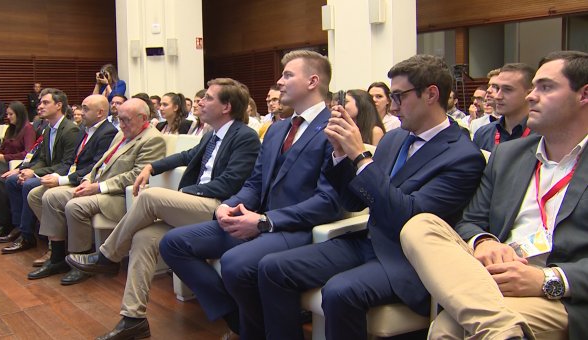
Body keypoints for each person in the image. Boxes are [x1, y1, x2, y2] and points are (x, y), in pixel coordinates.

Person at [257, 54, 486, 340]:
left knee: (340, 291)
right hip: (367, 240)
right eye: (392, 97)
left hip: (408, 258)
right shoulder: (395, 139)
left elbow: (409, 217)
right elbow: (354, 203)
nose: (392, 107)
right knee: (272, 267)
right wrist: (341, 155)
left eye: (400, 97)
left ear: (431, 94)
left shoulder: (463, 156)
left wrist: (361, 157)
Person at [400, 50, 588, 339]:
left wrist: (546, 279)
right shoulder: (510, 154)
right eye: (534, 86)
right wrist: (484, 241)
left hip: (558, 294)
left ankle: (500, 329)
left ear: (584, 95)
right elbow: (470, 220)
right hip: (492, 276)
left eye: (546, 87)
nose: (531, 96)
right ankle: (502, 331)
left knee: (446, 329)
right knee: (420, 225)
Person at [159, 50, 342, 339]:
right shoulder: (277, 129)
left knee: (235, 263)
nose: (279, 82)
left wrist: (264, 221)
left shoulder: (334, 128)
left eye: (288, 75)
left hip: (296, 228)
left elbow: (329, 202)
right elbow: (255, 183)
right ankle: (241, 324)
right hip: (255, 221)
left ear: (313, 81)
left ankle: (255, 329)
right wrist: (230, 205)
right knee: (173, 243)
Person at [66, 78, 261, 339]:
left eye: (209, 98)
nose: (201, 102)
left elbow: (230, 184)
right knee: (143, 237)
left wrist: (182, 194)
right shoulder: (212, 134)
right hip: (197, 205)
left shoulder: (244, 136)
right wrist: (151, 167)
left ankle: (107, 257)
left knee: (150, 197)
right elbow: (185, 157)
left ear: (226, 107)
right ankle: (132, 319)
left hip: (219, 206)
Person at [26, 98, 166, 283]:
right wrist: (88, 179)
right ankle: (57, 256)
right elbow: (101, 164)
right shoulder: (122, 133)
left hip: (118, 195)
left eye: (126, 120)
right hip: (97, 185)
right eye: (119, 119)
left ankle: (80, 260)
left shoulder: (153, 139)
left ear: (142, 118)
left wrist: (99, 187)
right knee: (47, 196)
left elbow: (137, 176)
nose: (121, 124)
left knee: (75, 206)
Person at [23, 94, 117, 267]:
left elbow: (94, 167)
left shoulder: (108, 132)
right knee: (34, 195)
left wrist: (62, 180)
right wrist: (57, 176)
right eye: (81, 107)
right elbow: (71, 160)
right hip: (73, 176)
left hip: (85, 180)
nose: (81, 112)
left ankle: (59, 252)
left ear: (100, 112)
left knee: (49, 196)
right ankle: (58, 241)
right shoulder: (83, 129)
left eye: (86, 109)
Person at [0, 88, 80, 254]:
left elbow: (67, 164)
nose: (39, 106)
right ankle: (18, 228)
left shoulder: (70, 129)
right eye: (40, 102)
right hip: (48, 171)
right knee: (12, 181)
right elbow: (43, 157)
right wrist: (28, 170)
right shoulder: (48, 129)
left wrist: (35, 174)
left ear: (58, 105)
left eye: (45, 102)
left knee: (29, 185)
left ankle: (27, 235)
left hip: (62, 174)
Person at [473, 63, 536, 152]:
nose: (498, 96)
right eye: (497, 88)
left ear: (529, 93)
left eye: (507, 89)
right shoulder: (484, 134)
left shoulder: (543, 136)